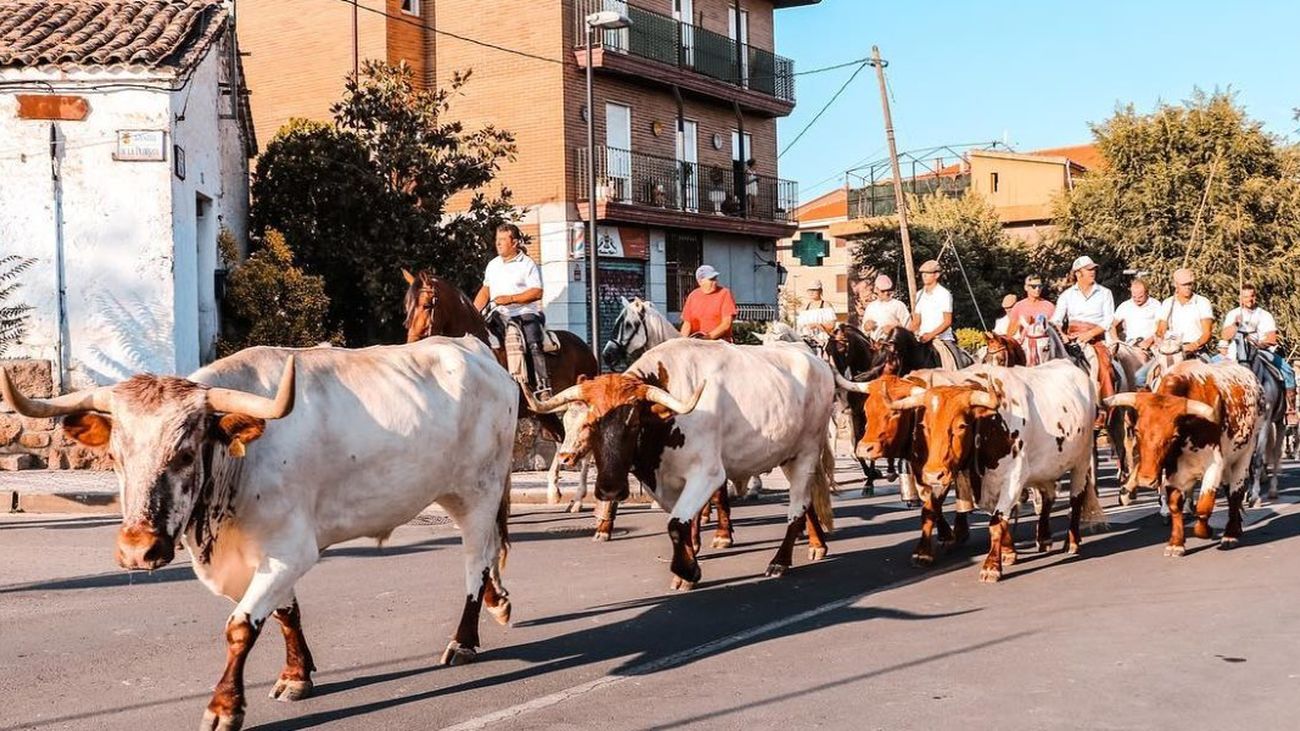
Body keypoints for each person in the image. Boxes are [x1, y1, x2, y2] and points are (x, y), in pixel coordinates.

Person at [474, 223, 549, 397]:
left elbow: (537, 292)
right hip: (498, 314)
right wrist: (473, 312)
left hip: (524, 313)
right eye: (497, 239)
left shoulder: (527, 264)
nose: (498, 243)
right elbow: (485, 290)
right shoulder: (493, 265)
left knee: (533, 343)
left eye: (502, 240)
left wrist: (510, 299)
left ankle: (543, 386)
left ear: (514, 243)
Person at [1221, 283, 1297, 422]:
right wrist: (1235, 324)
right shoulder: (1233, 314)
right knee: (1212, 366)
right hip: (1235, 351)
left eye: (1252, 296)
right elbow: (1225, 336)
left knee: (1287, 371)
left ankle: (1290, 409)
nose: (1249, 300)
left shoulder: (1264, 315)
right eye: (1245, 297)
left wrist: (1258, 344)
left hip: (1261, 351)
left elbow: (1271, 338)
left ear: (1255, 296)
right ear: (1240, 298)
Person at [1051, 255, 1117, 405]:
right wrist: (1062, 335)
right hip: (1072, 337)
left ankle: (1106, 406)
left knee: (1105, 368)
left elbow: (1108, 320)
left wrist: (1090, 334)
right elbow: (1056, 320)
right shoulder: (1066, 295)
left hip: (1096, 339)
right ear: (1078, 273)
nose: (1093, 272)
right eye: (1088, 269)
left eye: (1093, 269)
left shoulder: (1105, 293)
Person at [1136, 268, 1214, 388]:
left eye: (1190, 284)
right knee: (1140, 378)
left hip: (1196, 351)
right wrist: (1158, 340)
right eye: (1184, 285)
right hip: (1171, 351)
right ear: (1176, 285)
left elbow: (1207, 333)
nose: (1188, 287)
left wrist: (1193, 345)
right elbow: (1161, 330)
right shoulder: (1168, 303)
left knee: (1214, 381)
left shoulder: (1202, 302)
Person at [680, 264, 738, 342]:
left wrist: (707, 338)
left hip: (720, 342)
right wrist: (682, 341)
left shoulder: (724, 293)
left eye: (715, 279)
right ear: (700, 281)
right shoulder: (693, 296)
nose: (715, 282)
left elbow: (726, 324)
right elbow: (687, 324)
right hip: (696, 342)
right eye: (711, 279)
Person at [909, 259, 955, 353]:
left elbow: (947, 321)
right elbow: (916, 322)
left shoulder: (944, 294)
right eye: (923, 273)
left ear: (936, 275)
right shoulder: (919, 294)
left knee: (955, 360)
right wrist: (903, 333)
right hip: (922, 339)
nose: (924, 276)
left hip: (942, 339)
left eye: (928, 273)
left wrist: (931, 335)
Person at [1111, 278, 1161, 349]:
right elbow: (1112, 325)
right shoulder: (1125, 306)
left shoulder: (1156, 305)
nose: (1137, 299)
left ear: (1147, 293)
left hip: (1151, 344)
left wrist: (1149, 341)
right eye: (1134, 296)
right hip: (1130, 345)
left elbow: (1161, 327)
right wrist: (1116, 341)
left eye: (1140, 296)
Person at [1006, 274, 1055, 341]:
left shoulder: (1049, 306)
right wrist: (1020, 323)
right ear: (1026, 287)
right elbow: (1009, 334)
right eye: (1033, 286)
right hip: (1024, 345)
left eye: (1040, 286)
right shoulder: (1018, 306)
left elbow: (1056, 331)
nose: (1037, 289)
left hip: (1045, 344)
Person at [861, 274, 910, 339]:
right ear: (876, 290)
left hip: (894, 342)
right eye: (883, 291)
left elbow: (908, 327)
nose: (886, 293)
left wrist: (894, 329)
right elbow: (864, 331)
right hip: (875, 343)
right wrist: (866, 327)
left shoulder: (898, 305)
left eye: (888, 290)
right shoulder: (871, 307)